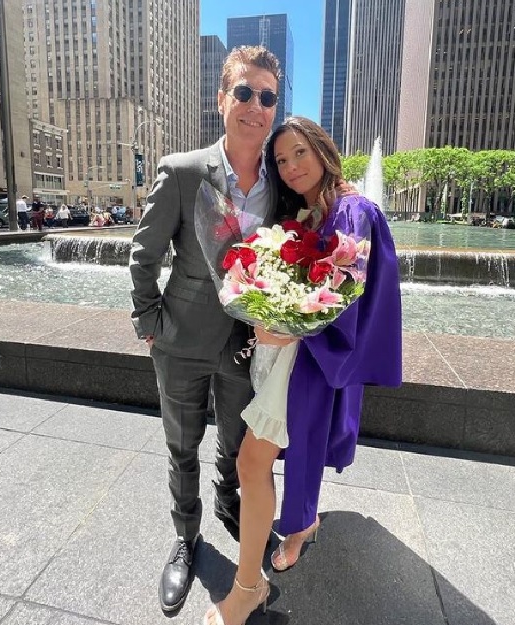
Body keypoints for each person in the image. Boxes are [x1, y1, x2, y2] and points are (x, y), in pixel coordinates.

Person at [203, 115, 402, 624]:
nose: (291, 167)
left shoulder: (353, 210)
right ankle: (299, 526)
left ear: (321, 149)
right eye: (281, 160)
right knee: (271, 456)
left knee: (258, 460)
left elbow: (347, 292)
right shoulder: (310, 213)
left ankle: (253, 582)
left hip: (308, 358)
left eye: (299, 153)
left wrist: (294, 329)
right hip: (289, 356)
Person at [130, 45, 281, 614]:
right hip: (180, 342)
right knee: (181, 446)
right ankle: (184, 536)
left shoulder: (281, 182)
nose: (255, 106)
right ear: (222, 99)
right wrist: (149, 322)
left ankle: (229, 500)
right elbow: (143, 256)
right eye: (244, 92)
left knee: (238, 445)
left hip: (247, 345)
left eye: (266, 96)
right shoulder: (183, 170)